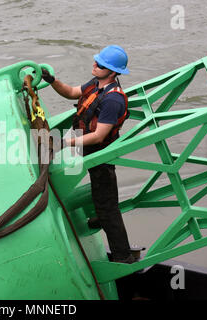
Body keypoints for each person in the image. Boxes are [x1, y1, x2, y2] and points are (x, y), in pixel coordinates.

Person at [42, 45, 135, 264]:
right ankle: (98, 220)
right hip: (89, 151)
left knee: (108, 206)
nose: (94, 65)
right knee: (102, 197)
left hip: (100, 154)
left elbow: (99, 136)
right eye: (96, 61)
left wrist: (65, 143)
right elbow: (71, 93)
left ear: (112, 72)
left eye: (100, 65)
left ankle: (123, 257)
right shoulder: (95, 84)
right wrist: (52, 80)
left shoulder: (113, 100)